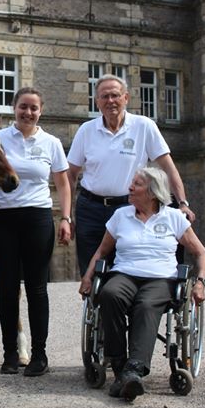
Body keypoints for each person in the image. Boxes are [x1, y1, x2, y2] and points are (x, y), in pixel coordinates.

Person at [79, 166, 205, 402]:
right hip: (125, 274)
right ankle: (120, 368)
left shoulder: (173, 218)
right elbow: (102, 251)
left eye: (137, 184)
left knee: (147, 304)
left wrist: (200, 282)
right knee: (110, 294)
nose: (130, 187)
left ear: (152, 192)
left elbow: (201, 253)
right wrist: (88, 277)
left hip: (161, 278)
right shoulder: (121, 216)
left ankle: (134, 370)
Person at [67, 74, 195, 276]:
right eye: (104, 96)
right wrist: (67, 215)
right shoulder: (86, 130)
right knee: (90, 272)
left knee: (126, 269)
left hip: (129, 208)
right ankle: (94, 306)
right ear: (97, 102)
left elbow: (168, 168)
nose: (110, 101)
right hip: (90, 209)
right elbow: (70, 175)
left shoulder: (144, 126)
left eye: (115, 95)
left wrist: (182, 203)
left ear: (126, 98)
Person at [0, 87, 72, 377]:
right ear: (14, 108)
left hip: (37, 218)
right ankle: (10, 354)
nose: (28, 112)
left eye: (33, 108)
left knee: (37, 289)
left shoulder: (51, 143)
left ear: (41, 111)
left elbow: (62, 183)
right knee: (8, 289)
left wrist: (66, 217)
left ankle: (39, 355)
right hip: (2, 219)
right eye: (23, 107)